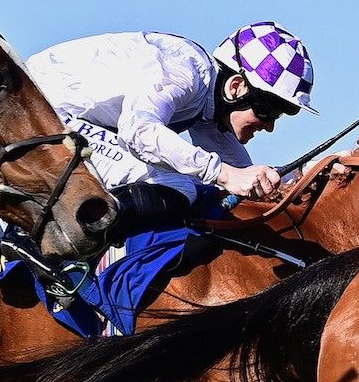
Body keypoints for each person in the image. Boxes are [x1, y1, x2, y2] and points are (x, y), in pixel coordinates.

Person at [25, 22, 317, 240]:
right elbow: (139, 130)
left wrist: (315, 171)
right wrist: (225, 174)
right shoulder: (184, 73)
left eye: (280, 114)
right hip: (43, 114)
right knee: (180, 187)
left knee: (195, 182)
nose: (269, 126)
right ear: (237, 86)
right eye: (267, 110)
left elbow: (245, 173)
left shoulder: (209, 101)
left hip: (61, 116)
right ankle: (53, 246)